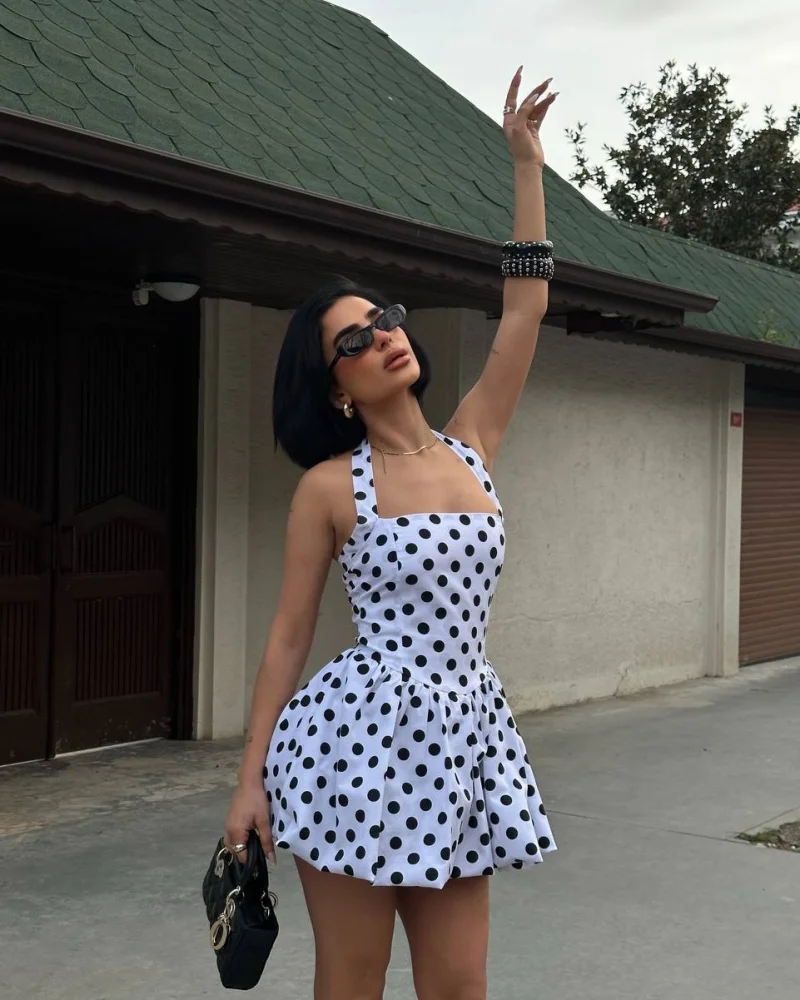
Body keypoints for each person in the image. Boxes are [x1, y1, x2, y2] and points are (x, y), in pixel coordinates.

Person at [225, 67, 558, 1000]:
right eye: (354, 341)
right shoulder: (330, 489)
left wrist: (525, 167)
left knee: (458, 985)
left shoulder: (473, 444)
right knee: (353, 981)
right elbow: (288, 638)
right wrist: (248, 782)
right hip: (354, 748)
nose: (382, 338)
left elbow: (526, 308)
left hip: (464, 738)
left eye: (382, 320)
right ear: (336, 388)